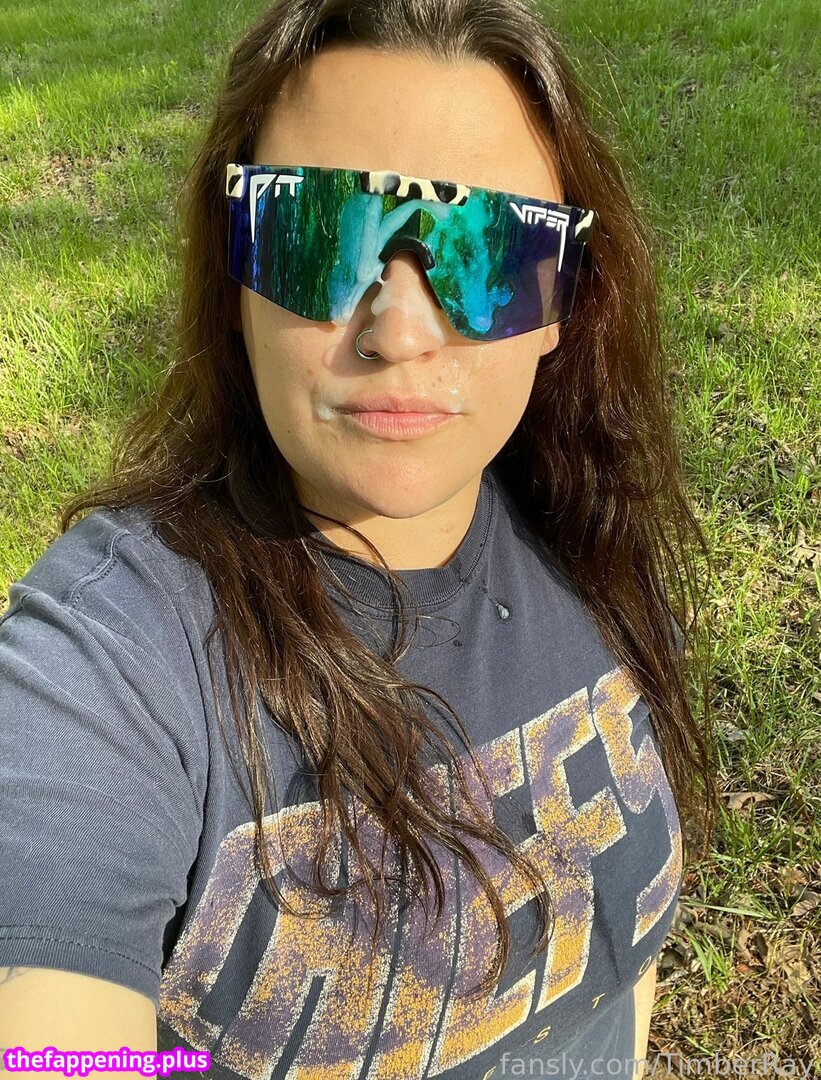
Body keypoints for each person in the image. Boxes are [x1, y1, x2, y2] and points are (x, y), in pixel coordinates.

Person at [0, 0, 717, 1076]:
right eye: (320, 236)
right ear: (234, 271)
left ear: (561, 297)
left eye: (488, 250)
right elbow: (48, 1028)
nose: (400, 330)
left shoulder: (582, 527)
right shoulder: (114, 660)